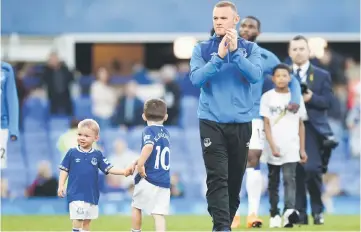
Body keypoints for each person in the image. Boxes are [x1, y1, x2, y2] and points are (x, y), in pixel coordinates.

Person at [189, 2, 263, 231]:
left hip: (241, 122)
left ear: (235, 20)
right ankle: (222, 227)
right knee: (217, 176)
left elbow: (256, 76)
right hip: (211, 121)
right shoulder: (201, 48)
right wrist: (218, 57)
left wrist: (235, 55)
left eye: (223, 18)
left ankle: (223, 223)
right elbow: (196, 80)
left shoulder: (250, 49)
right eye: (215, 18)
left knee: (234, 180)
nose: (219, 21)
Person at [231, 16, 301, 228]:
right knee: (231, 165)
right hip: (226, 115)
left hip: (252, 115)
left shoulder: (265, 56)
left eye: (251, 26)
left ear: (258, 33)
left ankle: (252, 213)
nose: (245, 28)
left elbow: (293, 79)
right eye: (242, 25)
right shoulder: (225, 50)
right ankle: (231, 213)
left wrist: (295, 99)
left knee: (253, 159)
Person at [288, 35, 333, 225]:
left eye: (302, 48)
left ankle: (317, 208)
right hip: (289, 128)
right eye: (295, 49)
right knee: (296, 171)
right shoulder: (282, 74)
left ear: (308, 51)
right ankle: (300, 212)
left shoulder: (322, 75)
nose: (298, 52)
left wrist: (311, 98)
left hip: (312, 128)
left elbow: (328, 102)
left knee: (313, 169)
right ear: (290, 53)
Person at [57, 119, 132, 232]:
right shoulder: (72, 152)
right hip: (76, 192)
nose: (82, 138)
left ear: (96, 138)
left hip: (91, 194)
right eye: (80, 134)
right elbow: (64, 170)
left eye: (86, 136)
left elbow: (109, 168)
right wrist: (61, 185)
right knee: (78, 218)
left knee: (87, 221)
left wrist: (124, 171)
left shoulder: (97, 154)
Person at [260, 64, 308, 228]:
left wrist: (302, 149)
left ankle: (289, 213)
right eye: (278, 76)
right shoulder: (267, 97)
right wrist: (272, 145)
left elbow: (301, 125)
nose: (281, 78)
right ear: (273, 79)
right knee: (273, 182)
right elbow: (266, 124)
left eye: (284, 75)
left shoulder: (296, 97)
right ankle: (274, 213)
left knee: (290, 180)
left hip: (291, 146)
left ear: (290, 78)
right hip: (273, 146)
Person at [130, 99, 170, 232]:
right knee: (158, 214)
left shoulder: (148, 130)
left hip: (148, 178)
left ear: (143, 116)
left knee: (137, 207)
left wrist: (140, 165)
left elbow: (148, 146)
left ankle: (136, 231)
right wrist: (138, 160)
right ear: (165, 117)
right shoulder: (166, 133)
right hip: (163, 180)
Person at [1, 62, 19, 169]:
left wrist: (13, 129)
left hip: (1, 127)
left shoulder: (5, 70)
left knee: (0, 168)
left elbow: (12, 99)